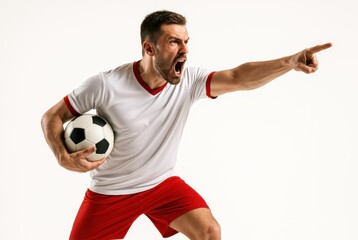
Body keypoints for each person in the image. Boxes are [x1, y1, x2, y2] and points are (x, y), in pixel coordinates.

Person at [41, 10, 332, 240]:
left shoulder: (188, 81)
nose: (185, 50)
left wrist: (289, 62)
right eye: (174, 42)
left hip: (161, 184)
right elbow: (52, 117)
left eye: (186, 42)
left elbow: (239, 77)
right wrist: (61, 155)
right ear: (149, 47)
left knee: (209, 231)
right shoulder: (106, 85)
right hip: (111, 191)